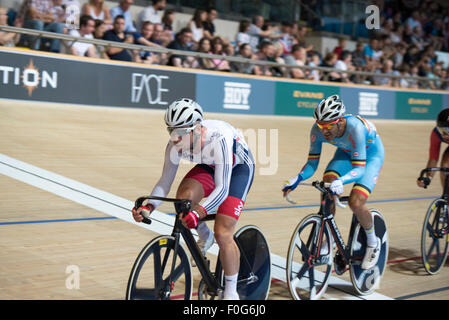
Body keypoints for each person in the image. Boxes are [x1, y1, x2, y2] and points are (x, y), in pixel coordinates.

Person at [131, 98, 255, 300]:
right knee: (183, 199)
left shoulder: (219, 137)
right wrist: (149, 206)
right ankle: (205, 235)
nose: (175, 138)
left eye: (180, 133)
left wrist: (199, 212)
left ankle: (231, 292)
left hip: (237, 170)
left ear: (196, 129)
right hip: (209, 166)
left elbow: (222, 189)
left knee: (223, 233)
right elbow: (165, 182)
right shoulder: (174, 146)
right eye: (170, 131)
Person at [282, 95, 385, 270]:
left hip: (370, 157)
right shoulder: (317, 130)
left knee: (356, 202)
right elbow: (312, 163)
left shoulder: (355, 128)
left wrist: (342, 180)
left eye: (329, 126)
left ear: (340, 121)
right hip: (346, 153)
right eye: (321, 125)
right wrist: (297, 178)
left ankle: (373, 242)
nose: (324, 131)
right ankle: (327, 239)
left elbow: (359, 169)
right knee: (328, 182)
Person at [417, 109, 449, 189]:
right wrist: (428, 178)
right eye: (441, 130)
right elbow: (433, 158)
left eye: (446, 131)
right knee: (445, 167)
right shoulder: (436, 134)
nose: (444, 135)